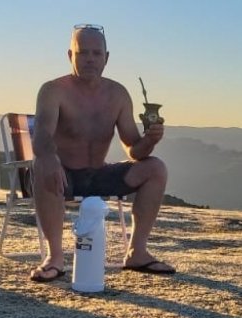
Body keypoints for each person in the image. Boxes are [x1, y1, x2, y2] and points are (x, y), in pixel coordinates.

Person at [29, 24, 175, 282]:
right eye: (82, 52)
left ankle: (137, 253)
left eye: (97, 53)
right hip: (65, 174)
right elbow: (41, 135)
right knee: (42, 165)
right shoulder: (53, 91)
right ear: (70, 55)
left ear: (107, 58)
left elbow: (133, 150)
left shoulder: (117, 94)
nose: (90, 59)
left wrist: (150, 140)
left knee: (155, 168)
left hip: (100, 174)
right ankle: (55, 258)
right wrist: (49, 157)